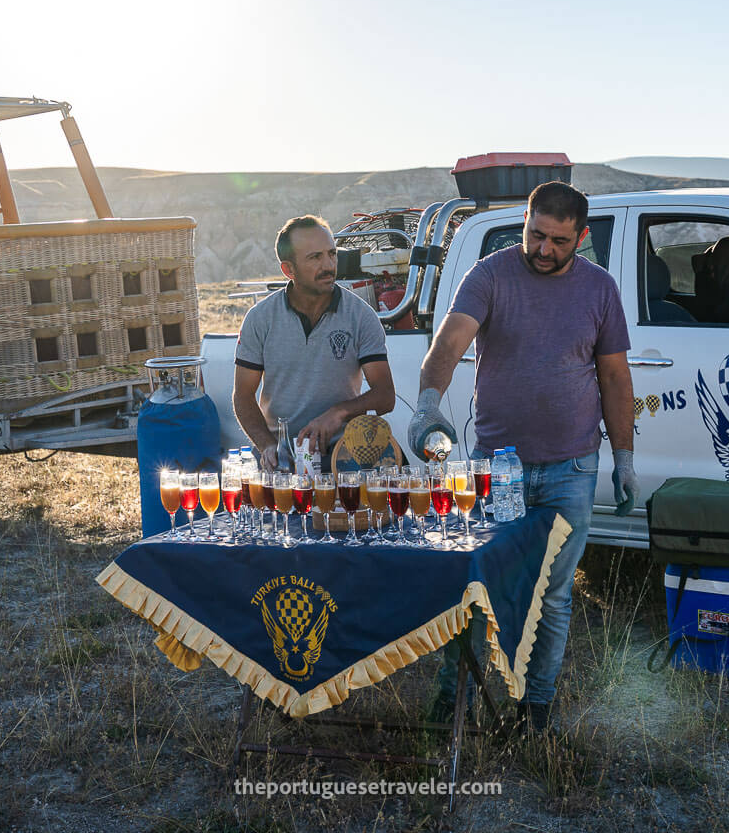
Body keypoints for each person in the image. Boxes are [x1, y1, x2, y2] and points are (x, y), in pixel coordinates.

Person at [409, 182, 638, 734]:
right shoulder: (490, 275)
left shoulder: (599, 288)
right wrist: (428, 404)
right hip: (497, 469)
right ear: (526, 224)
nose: (542, 249)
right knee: (476, 587)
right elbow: (449, 344)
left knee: (553, 595)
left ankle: (536, 710)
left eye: (558, 241)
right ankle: (454, 701)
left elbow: (614, 376)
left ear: (581, 237)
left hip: (571, 469)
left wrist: (625, 457)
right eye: (535, 235)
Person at [233, 215, 395, 470]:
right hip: (281, 456)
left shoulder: (360, 315)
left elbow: (385, 396)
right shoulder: (260, 318)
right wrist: (268, 446)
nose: (328, 265)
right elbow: (243, 396)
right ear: (288, 270)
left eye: (332, 254)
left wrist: (339, 412)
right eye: (315, 257)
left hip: (345, 454)